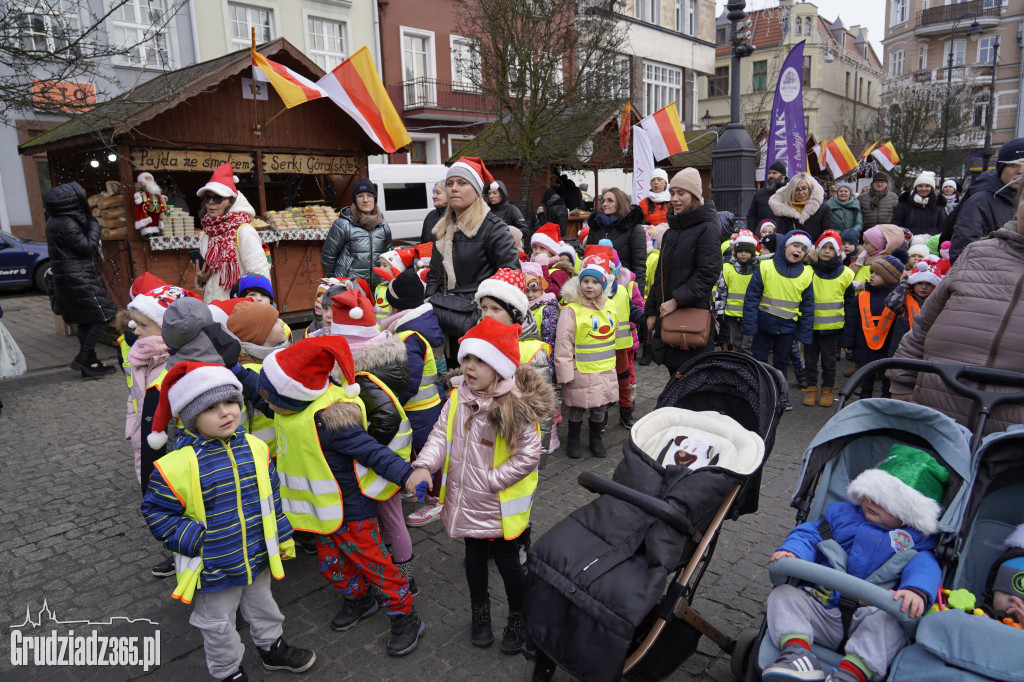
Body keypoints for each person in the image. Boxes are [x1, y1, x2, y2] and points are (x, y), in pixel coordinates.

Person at [140, 361, 316, 681]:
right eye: (211, 407)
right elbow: (156, 512)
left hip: (256, 554)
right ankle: (227, 671)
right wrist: (198, 540)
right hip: (212, 564)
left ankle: (271, 647)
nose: (226, 413)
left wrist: (282, 535)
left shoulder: (256, 448)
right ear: (191, 418)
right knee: (217, 623)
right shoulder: (175, 465)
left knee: (264, 606)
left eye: (231, 402)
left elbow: (271, 497)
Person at [258, 336, 427, 656]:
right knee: (331, 565)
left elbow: (373, 453)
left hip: (351, 512)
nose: (265, 403)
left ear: (291, 392)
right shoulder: (287, 408)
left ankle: (406, 615)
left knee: (377, 565)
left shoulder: (331, 418)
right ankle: (359, 598)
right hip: (320, 514)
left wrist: (407, 476)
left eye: (268, 397)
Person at [410, 317, 554, 654]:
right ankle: (480, 611)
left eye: (480, 361)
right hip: (468, 502)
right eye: (466, 359)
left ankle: (519, 615)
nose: (470, 367)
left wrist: (490, 480)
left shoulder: (513, 406)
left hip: (499, 505)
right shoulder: (459, 396)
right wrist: (423, 465)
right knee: (473, 559)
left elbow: (529, 454)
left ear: (500, 366)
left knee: (507, 563)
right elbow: (439, 435)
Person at [763, 445, 947, 682]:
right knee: (784, 594)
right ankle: (797, 655)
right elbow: (811, 534)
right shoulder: (841, 517)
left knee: (893, 624)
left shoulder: (915, 543)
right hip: (823, 604)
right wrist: (793, 552)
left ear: (909, 513)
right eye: (870, 494)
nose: (872, 502)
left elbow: (925, 567)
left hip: (870, 616)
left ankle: (850, 675)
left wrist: (916, 590)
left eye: (885, 501)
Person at [887, 181, 1024, 434]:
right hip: (934, 421)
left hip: (1009, 442)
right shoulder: (976, 254)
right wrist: (902, 384)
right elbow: (921, 329)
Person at [424, 157, 520, 350]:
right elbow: (434, 272)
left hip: (477, 321)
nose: (453, 188)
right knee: (449, 376)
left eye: (462, 183)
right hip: (442, 319)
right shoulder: (441, 228)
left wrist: (486, 315)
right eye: (449, 183)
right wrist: (428, 302)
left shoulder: (493, 228)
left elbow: (510, 277)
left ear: (476, 189)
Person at [378, 267, 447, 527]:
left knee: (428, 454)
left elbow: (409, 379)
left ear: (397, 308)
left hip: (420, 408)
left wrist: (393, 402)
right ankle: (415, 486)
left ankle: (435, 499)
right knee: (416, 450)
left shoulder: (408, 336)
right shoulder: (416, 328)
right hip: (420, 407)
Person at [644, 168, 722, 375]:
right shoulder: (672, 231)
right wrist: (651, 310)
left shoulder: (707, 228)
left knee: (691, 380)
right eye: (672, 193)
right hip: (668, 316)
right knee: (675, 377)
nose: (675, 199)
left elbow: (708, 272)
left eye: (681, 193)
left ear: (695, 196)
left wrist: (676, 301)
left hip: (690, 317)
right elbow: (660, 274)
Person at [43, 181, 117, 377]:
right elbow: (87, 248)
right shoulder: (66, 222)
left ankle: (90, 363)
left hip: (72, 277)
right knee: (105, 315)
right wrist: (94, 225)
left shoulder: (55, 220)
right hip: (80, 278)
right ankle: (83, 358)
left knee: (86, 320)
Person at [555, 250, 619, 458]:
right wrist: (565, 374)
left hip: (605, 368)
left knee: (600, 406)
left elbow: (613, 334)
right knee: (577, 407)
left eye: (595, 282)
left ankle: (595, 439)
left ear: (603, 285)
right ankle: (573, 440)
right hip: (580, 370)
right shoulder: (571, 310)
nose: (590, 286)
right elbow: (563, 344)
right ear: (579, 283)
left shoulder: (610, 307)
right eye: (586, 281)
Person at [742, 231, 815, 410]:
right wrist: (750, 325)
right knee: (759, 360)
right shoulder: (766, 267)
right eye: (795, 245)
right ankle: (757, 394)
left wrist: (804, 334)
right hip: (763, 325)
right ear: (785, 247)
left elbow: (808, 307)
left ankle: (780, 396)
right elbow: (751, 297)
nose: (798, 250)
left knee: (781, 364)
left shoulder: (806, 274)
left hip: (787, 329)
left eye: (803, 248)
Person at [193, 164, 271, 303]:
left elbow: (260, 276)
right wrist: (202, 279)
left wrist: (253, 310)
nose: (211, 202)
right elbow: (211, 280)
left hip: (238, 311)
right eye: (207, 198)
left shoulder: (244, 231)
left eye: (217, 198)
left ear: (231, 201)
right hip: (213, 310)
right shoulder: (206, 234)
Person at [949, 137, 1024, 263]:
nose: (1020, 171)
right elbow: (961, 253)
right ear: (1001, 167)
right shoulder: (979, 202)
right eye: (1013, 164)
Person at [802, 231, 854, 408]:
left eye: (831, 248)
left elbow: (849, 301)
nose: (826, 251)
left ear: (838, 251)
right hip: (809, 326)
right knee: (810, 361)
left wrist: (846, 325)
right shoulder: (807, 271)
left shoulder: (846, 273)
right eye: (823, 246)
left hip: (832, 328)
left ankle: (827, 389)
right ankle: (811, 389)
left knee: (829, 362)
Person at [841, 255, 904, 399]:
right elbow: (852, 320)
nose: (872, 276)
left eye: (877, 274)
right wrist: (848, 342)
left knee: (886, 372)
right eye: (872, 273)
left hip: (888, 344)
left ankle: (886, 396)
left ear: (889, 278)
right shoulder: (862, 296)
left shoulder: (897, 298)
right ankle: (865, 394)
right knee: (865, 370)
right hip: (864, 343)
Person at [321, 177, 392, 288]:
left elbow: (388, 255)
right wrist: (337, 280)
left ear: (374, 198)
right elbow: (328, 257)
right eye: (360, 196)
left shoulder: (383, 226)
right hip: (350, 286)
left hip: (376, 286)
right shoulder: (343, 225)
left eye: (369, 195)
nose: (365, 200)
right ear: (355, 200)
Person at [584, 187, 647, 292]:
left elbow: (639, 266)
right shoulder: (595, 227)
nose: (604, 204)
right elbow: (588, 259)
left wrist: (637, 294)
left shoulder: (634, 228)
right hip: (597, 287)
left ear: (620, 203)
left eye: (610, 201)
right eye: (603, 200)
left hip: (624, 286)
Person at [885, 259, 939, 357]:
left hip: (922, 346)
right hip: (900, 343)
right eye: (919, 283)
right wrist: (903, 286)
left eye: (929, 284)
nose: (924, 287)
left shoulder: (936, 301)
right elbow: (891, 303)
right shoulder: (905, 296)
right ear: (912, 283)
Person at [719, 230, 759, 356]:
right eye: (740, 251)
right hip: (732, 313)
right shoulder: (727, 268)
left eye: (747, 251)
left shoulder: (758, 269)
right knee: (735, 344)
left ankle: (749, 370)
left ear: (752, 252)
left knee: (748, 345)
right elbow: (722, 289)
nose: (743, 254)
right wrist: (720, 310)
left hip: (751, 314)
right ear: (735, 252)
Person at [768, 172, 834, 241]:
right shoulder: (783, 211)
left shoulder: (823, 209)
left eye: (804, 188)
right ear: (791, 192)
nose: (801, 192)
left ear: (809, 189)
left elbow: (828, 235)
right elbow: (780, 237)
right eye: (796, 190)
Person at [891, 171, 946, 236]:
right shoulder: (905, 203)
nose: (923, 189)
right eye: (920, 186)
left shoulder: (938, 205)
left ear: (932, 188)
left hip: (931, 243)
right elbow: (895, 225)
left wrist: (934, 240)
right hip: (908, 243)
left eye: (927, 186)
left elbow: (942, 227)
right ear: (915, 188)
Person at [747, 161, 787, 230]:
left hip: (783, 238)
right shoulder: (759, 194)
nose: (771, 175)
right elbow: (751, 216)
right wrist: (754, 233)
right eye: (769, 173)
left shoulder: (790, 193)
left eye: (774, 173)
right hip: (762, 238)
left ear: (783, 177)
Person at [420, 180, 447, 245]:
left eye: (438, 193)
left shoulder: (457, 216)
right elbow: (423, 243)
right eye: (434, 192)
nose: (433, 196)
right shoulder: (431, 215)